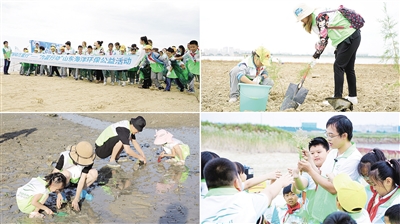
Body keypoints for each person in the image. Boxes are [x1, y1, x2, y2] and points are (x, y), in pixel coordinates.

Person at [297, 115, 362, 223]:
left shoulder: (353, 159)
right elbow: (320, 175)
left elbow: (333, 188)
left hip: (336, 217)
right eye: (327, 134)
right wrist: (310, 160)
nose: (328, 139)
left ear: (344, 135)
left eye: (331, 135)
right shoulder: (332, 153)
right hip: (318, 212)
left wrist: (309, 170)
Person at [294, 3, 361, 105]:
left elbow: (324, 40)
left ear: (307, 15)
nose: (302, 21)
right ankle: (352, 97)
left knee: (338, 66)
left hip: (348, 37)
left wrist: (316, 55)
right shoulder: (318, 18)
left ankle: (337, 98)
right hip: (352, 36)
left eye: (302, 18)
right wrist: (317, 52)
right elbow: (324, 36)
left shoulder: (319, 17)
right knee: (348, 68)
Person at [200, 158, 293, 223]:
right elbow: (269, 193)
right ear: (236, 182)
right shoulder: (249, 201)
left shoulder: (199, 205)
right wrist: (281, 182)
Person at [290, 137, 330, 223]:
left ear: (328, 152)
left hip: (328, 216)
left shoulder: (330, 170)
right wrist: (296, 177)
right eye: (312, 153)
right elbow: (301, 186)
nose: (315, 155)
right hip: (311, 217)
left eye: (319, 152)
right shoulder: (307, 171)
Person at [52, 141, 98, 211]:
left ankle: (82, 192)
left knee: (94, 173)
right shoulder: (64, 157)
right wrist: (58, 193)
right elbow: (53, 175)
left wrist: (76, 199)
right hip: (65, 181)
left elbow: (83, 178)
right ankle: (62, 193)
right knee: (65, 174)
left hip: (78, 179)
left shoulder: (89, 160)